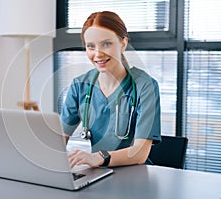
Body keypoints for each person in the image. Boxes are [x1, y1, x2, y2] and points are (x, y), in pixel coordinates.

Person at [60, 11, 161, 168]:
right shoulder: (80, 85)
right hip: (97, 173)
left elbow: (140, 153)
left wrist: (100, 157)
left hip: (134, 176)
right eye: (90, 46)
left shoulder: (145, 86)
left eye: (106, 44)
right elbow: (59, 139)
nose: (98, 54)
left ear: (123, 43)